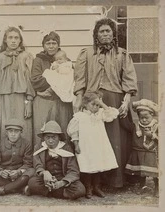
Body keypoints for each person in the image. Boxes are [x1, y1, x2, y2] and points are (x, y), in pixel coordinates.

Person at [73, 18, 138, 188]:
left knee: (115, 140)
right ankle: (95, 182)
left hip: (115, 101)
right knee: (93, 140)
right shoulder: (86, 53)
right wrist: (79, 99)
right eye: (101, 31)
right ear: (96, 34)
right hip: (92, 102)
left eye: (108, 31)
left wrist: (126, 101)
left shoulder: (122, 54)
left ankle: (115, 180)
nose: (105, 34)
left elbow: (128, 80)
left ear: (113, 33)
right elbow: (80, 79)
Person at [67, 92, 119, 199]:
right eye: (93, 104)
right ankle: (88, 187)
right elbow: (73, 132)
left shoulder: (100, 114)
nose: (96, 107)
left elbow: (113, 114)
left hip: (99, 145)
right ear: (85, 104)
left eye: (97, 105)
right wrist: (76, 144)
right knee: (87, 166)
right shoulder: (79, 116)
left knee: (98, 166)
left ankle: (96, 187)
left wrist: (102, 104)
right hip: (86, 146)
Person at [0, 26, 35, 142]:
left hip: (22, 98)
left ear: (20, 40)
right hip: (4, 99)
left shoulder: (26, 57)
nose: (13, 40)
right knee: (5, 126)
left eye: (16, 38)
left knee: (23, 126)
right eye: (10, 38)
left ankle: (24, 156)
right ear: (5, 40)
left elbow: (30, 80)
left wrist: (28, 101)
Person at [31, 31, 73, 145]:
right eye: (48, 43)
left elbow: (70, 78)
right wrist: (56, 83)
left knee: (62, 129)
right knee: (42, 130)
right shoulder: (38, 60)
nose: (51, 46)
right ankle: (41, 160)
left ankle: (63, 160)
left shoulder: (65, 60)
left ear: (58, 44)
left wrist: (54, 86)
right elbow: (36, 80)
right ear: (43, 45)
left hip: (61, 101)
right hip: (44, 102)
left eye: (54, 43)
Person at [26, 121, 86, 200]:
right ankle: (60, 193)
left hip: (63, 179)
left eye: (53, 137)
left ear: (59, 137)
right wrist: (44, 173)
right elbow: (37, 165)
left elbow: (73, 170)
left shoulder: (67, 148)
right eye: (48, 137)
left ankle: (49, 192)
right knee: (32, 182)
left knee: (80, 190)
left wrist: (62, 182)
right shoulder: (39, 147)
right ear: (44, 137)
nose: (50, 140)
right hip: (46, 180)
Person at [0, 118, 34, 198]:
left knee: (31, 171)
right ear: (6, 132)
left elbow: (28, 163)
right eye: (10, 131)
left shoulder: (26, 144)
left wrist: (18, 172)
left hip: (19, 175)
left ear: (21, 132)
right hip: (4, 176)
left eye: (16, 131)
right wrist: (0, 172)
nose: (13, 134)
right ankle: (20, 188)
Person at [125, 99, 159, 197]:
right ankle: (142, 185)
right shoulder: (136, 126)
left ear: (152, 115)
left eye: (146, 117)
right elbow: (125, 125)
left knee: (155, 173)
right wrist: (124, 111)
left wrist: (152, 135)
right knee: (141, 172)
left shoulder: (157, 126)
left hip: (152, 153)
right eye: (141, 117)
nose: (144, 120)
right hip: (139, 153)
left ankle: (157, 187)